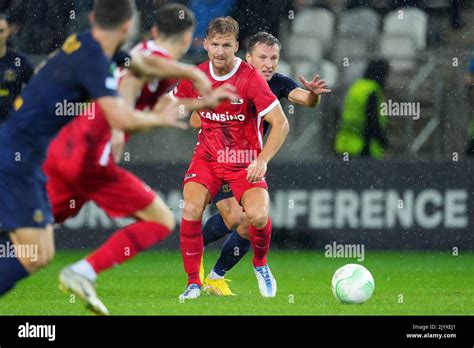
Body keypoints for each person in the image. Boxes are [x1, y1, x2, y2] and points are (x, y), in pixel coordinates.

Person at [42, 4, 237, 315]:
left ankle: (80, 270)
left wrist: (203, 101)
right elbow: (138, 79)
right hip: (91, 154)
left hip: (70, 147)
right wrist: (190, 73)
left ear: (155, 30)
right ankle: (83, 271)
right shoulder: (149, 57)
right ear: (190, 40)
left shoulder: (151, 60)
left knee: (33, 225)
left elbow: (157, 100)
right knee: (160, 220)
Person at [0, 0, 195, 299]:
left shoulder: (86, 43)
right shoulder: (94, 60)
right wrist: (160, 116)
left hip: (31, 156)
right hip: (21, 160)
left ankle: (82, 272)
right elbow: (120, 116)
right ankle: (83, 272)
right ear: (129, 26)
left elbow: (137, 63)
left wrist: (193, 76)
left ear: (92, 18)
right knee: (34, 254)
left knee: (37, 250)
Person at [193, 31, 331, 296]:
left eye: (274, 58)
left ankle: (216, 276)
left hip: (247, 162)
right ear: (248, 58)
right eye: (263, 57)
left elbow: (306, 100)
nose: (269, 63)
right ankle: (193, 247)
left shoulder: (276, 82)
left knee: (248, 222)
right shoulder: (230, 80)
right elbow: (194, 121)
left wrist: (313, 94)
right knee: (235, 218)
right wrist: (223, 117)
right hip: (216, 159)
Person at [172, 18, 290, 300]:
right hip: (208, 159)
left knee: (257, 217)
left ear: (236, 47)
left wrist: (262, 160)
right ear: (206, 45)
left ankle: (260, 265)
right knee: (190, 209)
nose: (220, 51)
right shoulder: (196, 76)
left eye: (227, 45)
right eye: (215, 44)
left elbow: (280, 123)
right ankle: (193, 283)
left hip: (244, 161)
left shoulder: (250, 78)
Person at [334, 59, 390, 159]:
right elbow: (372, 121)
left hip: (345, 145)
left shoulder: (356, 86)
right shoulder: (372, 90)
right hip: (364, 148)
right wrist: (384, 142)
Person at [0, 13, 34, 123]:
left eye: (1, 31)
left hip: (11, 122)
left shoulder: (19, 60)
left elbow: (35, 86)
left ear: (8, 32)